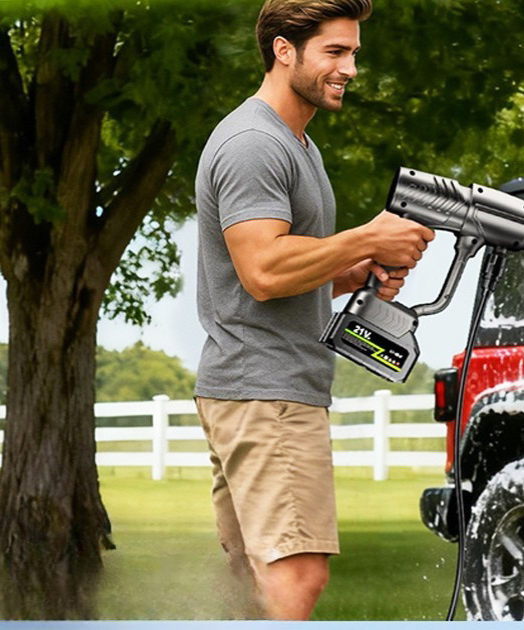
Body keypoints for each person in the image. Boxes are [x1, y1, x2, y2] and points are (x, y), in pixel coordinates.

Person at [193, 0, 434, 619]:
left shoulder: (299, 146)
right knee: (296, 576)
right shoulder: (254, 143)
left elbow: (279, 269)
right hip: (266, 388)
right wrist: (366, 237)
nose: (350, 67)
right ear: (283, 50)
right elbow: (264, 270)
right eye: (335, 51)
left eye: (353, 53)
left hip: (260, 385)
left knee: (258, 584)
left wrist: (352, 269)